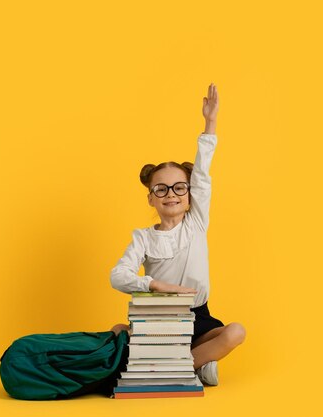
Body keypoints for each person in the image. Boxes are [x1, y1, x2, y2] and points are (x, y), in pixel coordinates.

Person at [109, 83, 246, 386]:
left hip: (198, 317)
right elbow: (117, 276)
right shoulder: (143, 237)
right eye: (161, 189)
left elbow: (203, 177)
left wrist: (210, 123)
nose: (171, 194)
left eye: (179, 187)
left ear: (188, 195)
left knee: (236, 332)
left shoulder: (196, 222)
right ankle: (196, 364)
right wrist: (155, 284)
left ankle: (181, 365)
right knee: (119, 329)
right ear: (152, 198)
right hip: (160, 319)